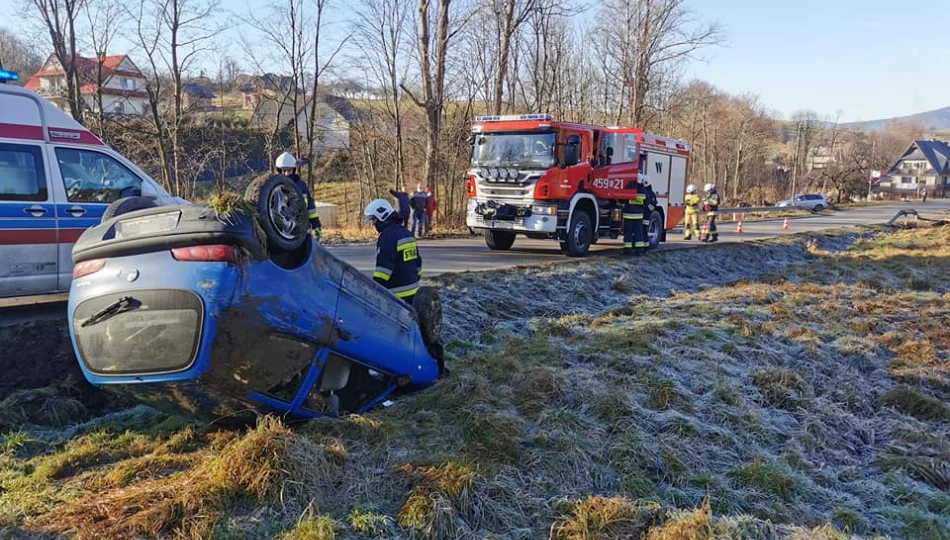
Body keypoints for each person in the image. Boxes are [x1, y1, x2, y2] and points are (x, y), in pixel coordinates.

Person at [364, 198, 422, 304]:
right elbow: (418, 264)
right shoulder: (406, 233)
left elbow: (383, 270)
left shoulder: (387, 236)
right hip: (414, 293)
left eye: (374, 219)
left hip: (396, 296)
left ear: (382, 216)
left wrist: (374, 289)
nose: (373, 224)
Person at [275, 152, 322, 241]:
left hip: (302, 230)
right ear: (279, 170)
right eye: (284, 170)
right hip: (281, 232)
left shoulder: (301, 186)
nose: (286, 173)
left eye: (289, 170)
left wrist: (316, 226)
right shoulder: (274, 188)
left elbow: (311, 209)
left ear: (294, 170)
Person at [622, 177, 649, 256]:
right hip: (639, 216)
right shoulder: (644, 191)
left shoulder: (629, 188)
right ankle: (639, 251)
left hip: (628, 216)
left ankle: (628, 250)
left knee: (628, 233)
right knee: (639, 233)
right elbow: (647, 202)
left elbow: (622, 199)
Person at [638, 174, 657, 248]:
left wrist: (645, 208)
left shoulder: (650, 194)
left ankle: (646, 246)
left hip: (645, 216)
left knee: (643, 231)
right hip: (642, 215)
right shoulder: (646, 191)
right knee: (641, 231)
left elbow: (652, 206)